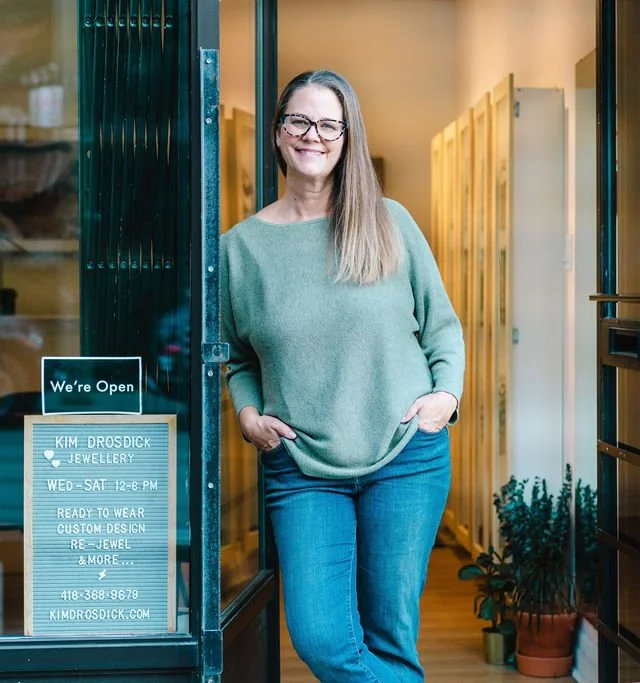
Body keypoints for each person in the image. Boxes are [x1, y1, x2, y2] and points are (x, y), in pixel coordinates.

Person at [220, 69, 465, 682]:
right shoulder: (239, 250)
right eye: (300, 121)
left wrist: (445, 397)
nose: (314, 135)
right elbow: (235, 356)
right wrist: (247, 413)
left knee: (390, 635)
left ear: (347, 136)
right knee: (322, 637)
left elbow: (442, 327)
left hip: (406, 455)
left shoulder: (389, 221)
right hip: (302, 468)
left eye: (331, 124)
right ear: (278, 134)